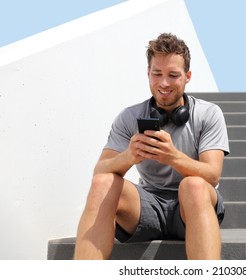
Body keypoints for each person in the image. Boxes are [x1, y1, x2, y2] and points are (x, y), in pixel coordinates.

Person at [74, 33, 230, 260]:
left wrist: (172, 156)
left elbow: (212, 175)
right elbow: (100, 170)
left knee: (194, 186)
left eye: (173, 75)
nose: (164, 83)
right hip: (146, 206)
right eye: (157, 74)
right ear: (148, 74)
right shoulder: (129, 117)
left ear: (187, 76)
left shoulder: (209, 114)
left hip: (193, 207)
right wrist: (129, 156)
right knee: (103, 181)